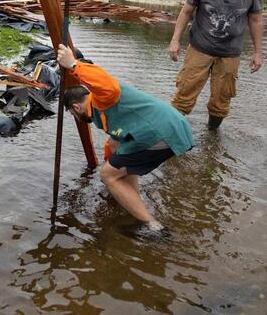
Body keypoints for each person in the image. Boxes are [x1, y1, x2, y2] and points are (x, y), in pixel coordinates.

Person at [56, 44, 195, 231]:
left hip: (163, 132)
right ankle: (133, 202)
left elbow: (108, 85)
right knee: (116, 159)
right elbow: (114, 144)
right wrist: (112, 167)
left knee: (107, 174)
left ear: (76, 107)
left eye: (74, 115)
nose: (78, 119)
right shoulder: (101, 112)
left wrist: (73, 64)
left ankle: (152, 226)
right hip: (172, 127)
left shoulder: (100, 99)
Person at [168, 0, 263, 130]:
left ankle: (212, 136)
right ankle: (172, 134)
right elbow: (186, 11)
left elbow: (256, 19)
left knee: (222, 98)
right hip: (200, 47)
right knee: (185, 93)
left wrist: (258, 53)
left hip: (230, 52)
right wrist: (175, 40)